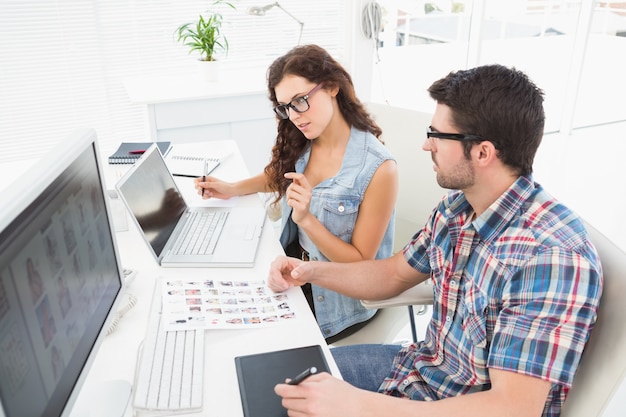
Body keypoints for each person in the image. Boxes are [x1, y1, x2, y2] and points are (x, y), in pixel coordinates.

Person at [267, 64, 603, 416]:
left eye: (437, 135)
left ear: (483, 153)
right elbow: (392, 275)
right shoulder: (458, 208)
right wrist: (309, 271)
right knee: (285, 383)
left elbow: (512, 408)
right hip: (423, 372)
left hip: (462, 406)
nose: (427, 145)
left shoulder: (550, 256)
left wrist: (359, 406)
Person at [195, 44, 398, 342]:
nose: (295, 115)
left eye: (301, 100)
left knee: (248, 342)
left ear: (331, 87)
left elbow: (360, 266)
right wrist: (231, 188)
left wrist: (306, 219)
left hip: (335, 301)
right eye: (286, 107)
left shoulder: (379, 168)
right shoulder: (306, 137)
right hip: (293, 268)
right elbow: (279, 175)